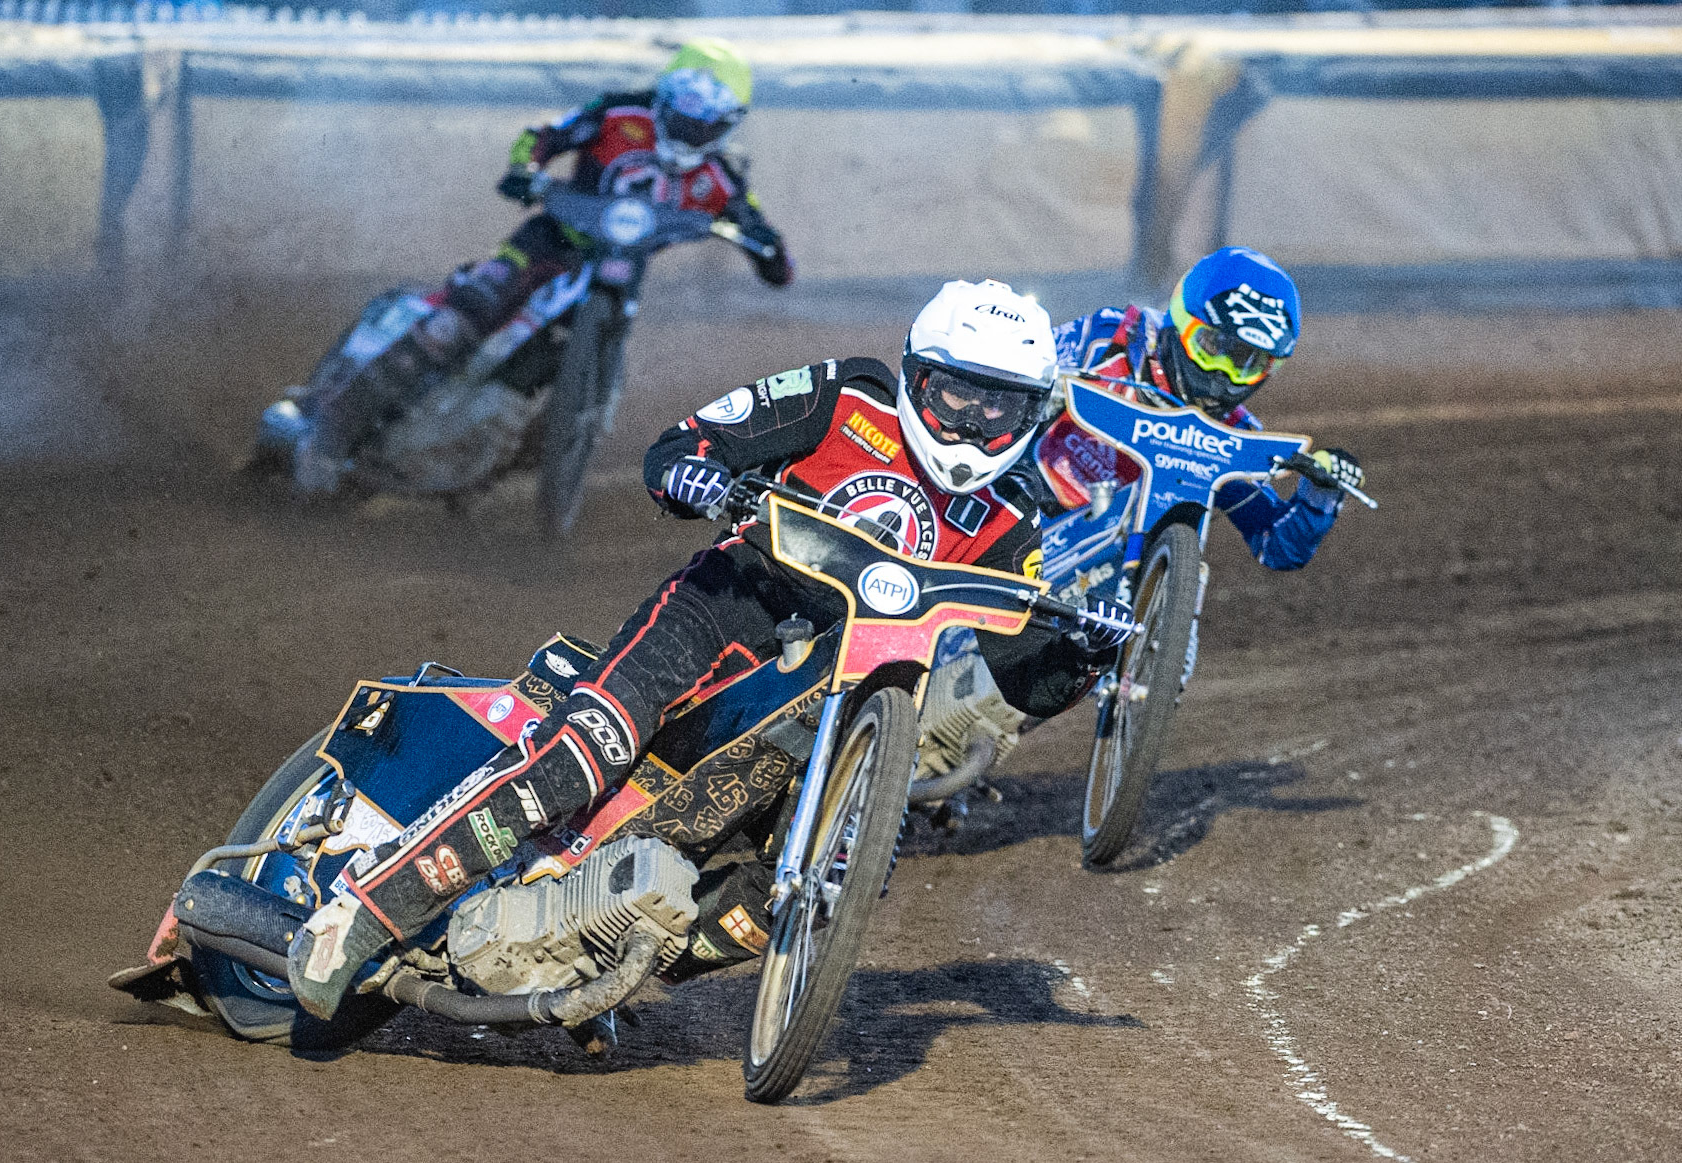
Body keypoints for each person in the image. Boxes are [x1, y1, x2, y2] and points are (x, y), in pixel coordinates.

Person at [286, 279, 1131, 1017]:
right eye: (957, 396)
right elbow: (691, 440)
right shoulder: (848, 397)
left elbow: (1018, 666)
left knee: (807, 886)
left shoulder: (1010, 519)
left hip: (829, 708)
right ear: (916, 375)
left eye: (999, 407)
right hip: (721, 613)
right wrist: (696, 471)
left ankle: (599, 955)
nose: (975, 423)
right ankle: (363, 911)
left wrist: (1084, 655)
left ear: (1031, 413)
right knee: (582, 754)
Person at [292, 37, 795, 491]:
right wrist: (525, 168)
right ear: (665, 94)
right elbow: (546, 134)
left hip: (617, 276)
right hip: (548, 243)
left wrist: (768, 250)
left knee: (550, 376)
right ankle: (329, 434)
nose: (696, 122)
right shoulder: (618, 112)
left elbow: (762, 234)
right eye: (688, 104)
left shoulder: (721, 177)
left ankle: (500, 462)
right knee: (460, 318)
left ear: (731, 121)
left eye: (711, 114)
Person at [1044, 246, 1363, 568]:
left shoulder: (1232, 434)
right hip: (1028, 512)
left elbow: (1277, 545)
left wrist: (1321, 494)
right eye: (1212, 345)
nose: (1222, 372)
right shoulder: (1108, 340)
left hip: (1110, 571)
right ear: (1182, 320)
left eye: (1247, 362)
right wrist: (1044, 387)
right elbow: (1019, 366)